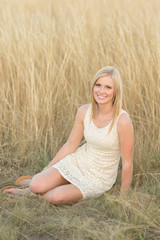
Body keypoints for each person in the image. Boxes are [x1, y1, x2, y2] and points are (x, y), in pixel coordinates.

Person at [2, 66, 134, 204]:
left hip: (98, 177)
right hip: (78, 162)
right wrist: (46, 170)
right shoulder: (84, 111)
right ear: (93, 86)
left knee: (54, 197)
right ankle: (32, 186)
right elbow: (70, 145)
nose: (101, 91)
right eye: (98, 85)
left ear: (116, 91)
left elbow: (127, 163)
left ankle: (30, 192)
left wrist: (123, 197)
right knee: (37, 185)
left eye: (108, 87)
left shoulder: (122, 120)